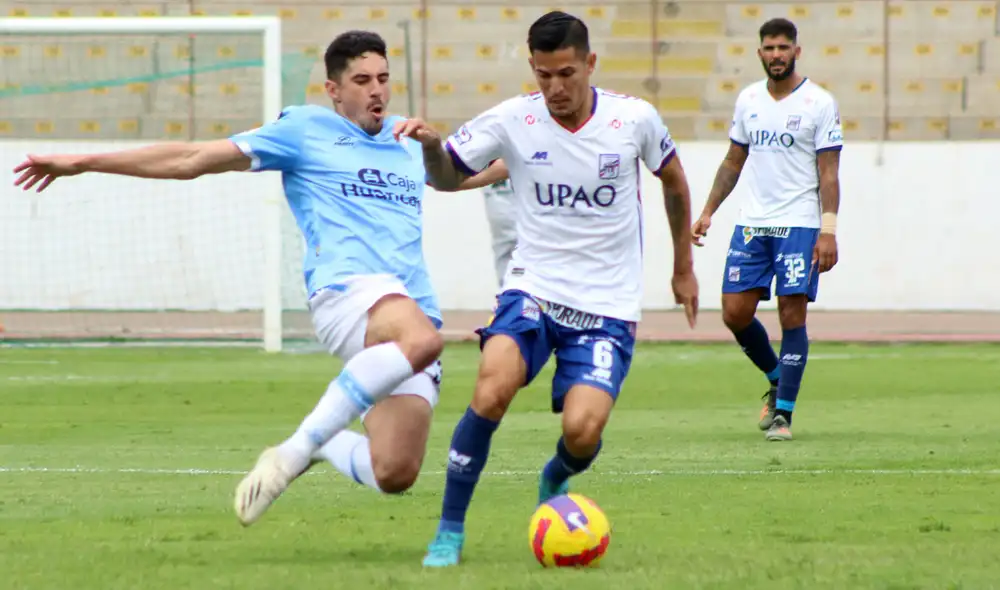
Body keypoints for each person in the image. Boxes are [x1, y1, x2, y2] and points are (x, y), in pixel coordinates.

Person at [13, 30, 447, 522]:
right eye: (363, 80)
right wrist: (85, 162)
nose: (377, 91)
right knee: (426, 339)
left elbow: (465, 174)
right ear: (333, 90)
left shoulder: (407, 141)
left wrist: (455, 150)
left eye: (384, 79)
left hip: (410, 307)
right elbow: (191, 159)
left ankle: (324, 446)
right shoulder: (304, 130)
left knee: (394, 470)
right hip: (348, 289)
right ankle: (297, 449)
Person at [393, 11, 699, 567]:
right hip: (533, 288)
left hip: (606, 304)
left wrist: (682, 267)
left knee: (583, 431)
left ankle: (556, 475)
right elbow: (446, 180)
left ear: (589, 64)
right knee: (490, 390)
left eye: (565, 73)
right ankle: (449, 530)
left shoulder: (635, 119)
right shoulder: (514, 119)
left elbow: (674, 181)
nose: (555, 88)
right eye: (543, 75)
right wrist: (433, 148)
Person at [690, 17, 842, 442]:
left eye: (783, 48)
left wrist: (827, 229)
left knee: (791, 314)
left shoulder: (819, 103)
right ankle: (776, 377)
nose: (776, 55)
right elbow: (733, 161)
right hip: (753, 223)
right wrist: (708, 211)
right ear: (760, 53)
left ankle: (784, 415)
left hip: (799, 223)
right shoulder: (749, 100)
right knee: (734, 312)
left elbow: (829, 173)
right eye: (769, 48)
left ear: (797, 51)